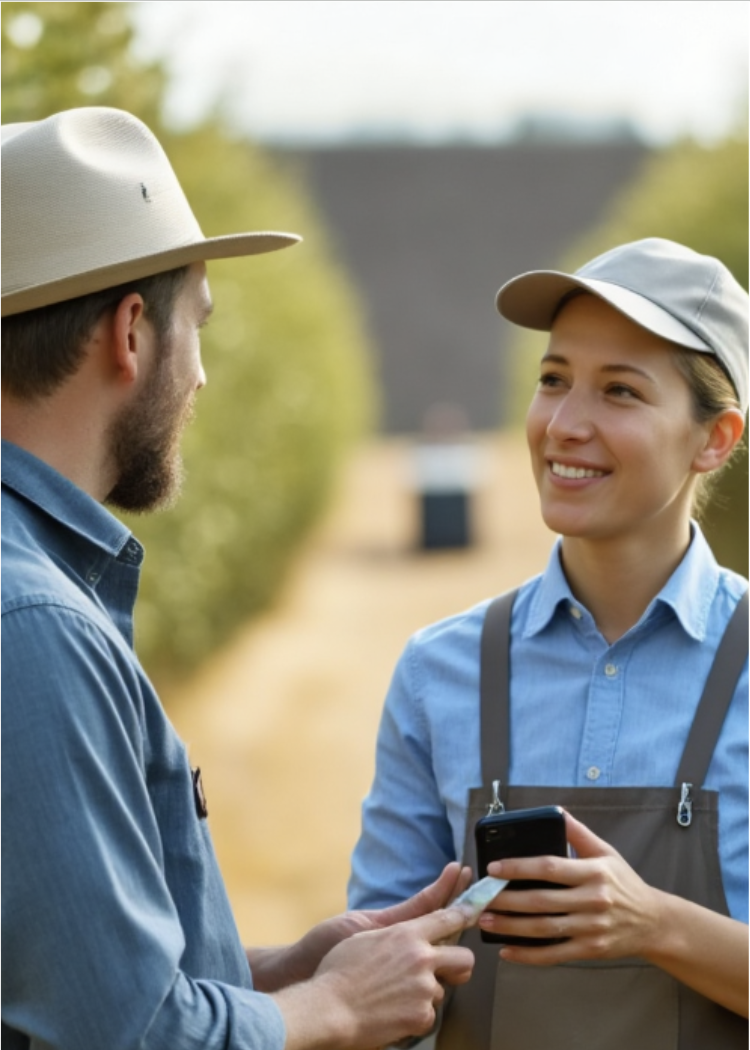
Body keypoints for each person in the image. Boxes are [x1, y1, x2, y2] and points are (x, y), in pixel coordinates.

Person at [1, 106, 477, 1050]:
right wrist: (334, 1008)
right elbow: (127, 1037)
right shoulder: (33, 622)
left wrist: (286, 967)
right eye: (198, 327)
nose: (205, 376)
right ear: (132, 334)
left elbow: (56, 977)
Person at [348, 237, 749, 1049]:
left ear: (715, 439)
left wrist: (653, 923)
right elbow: (372, 982)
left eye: (621, 392)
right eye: (553, 380)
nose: (565, 425)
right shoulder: (439, 672)